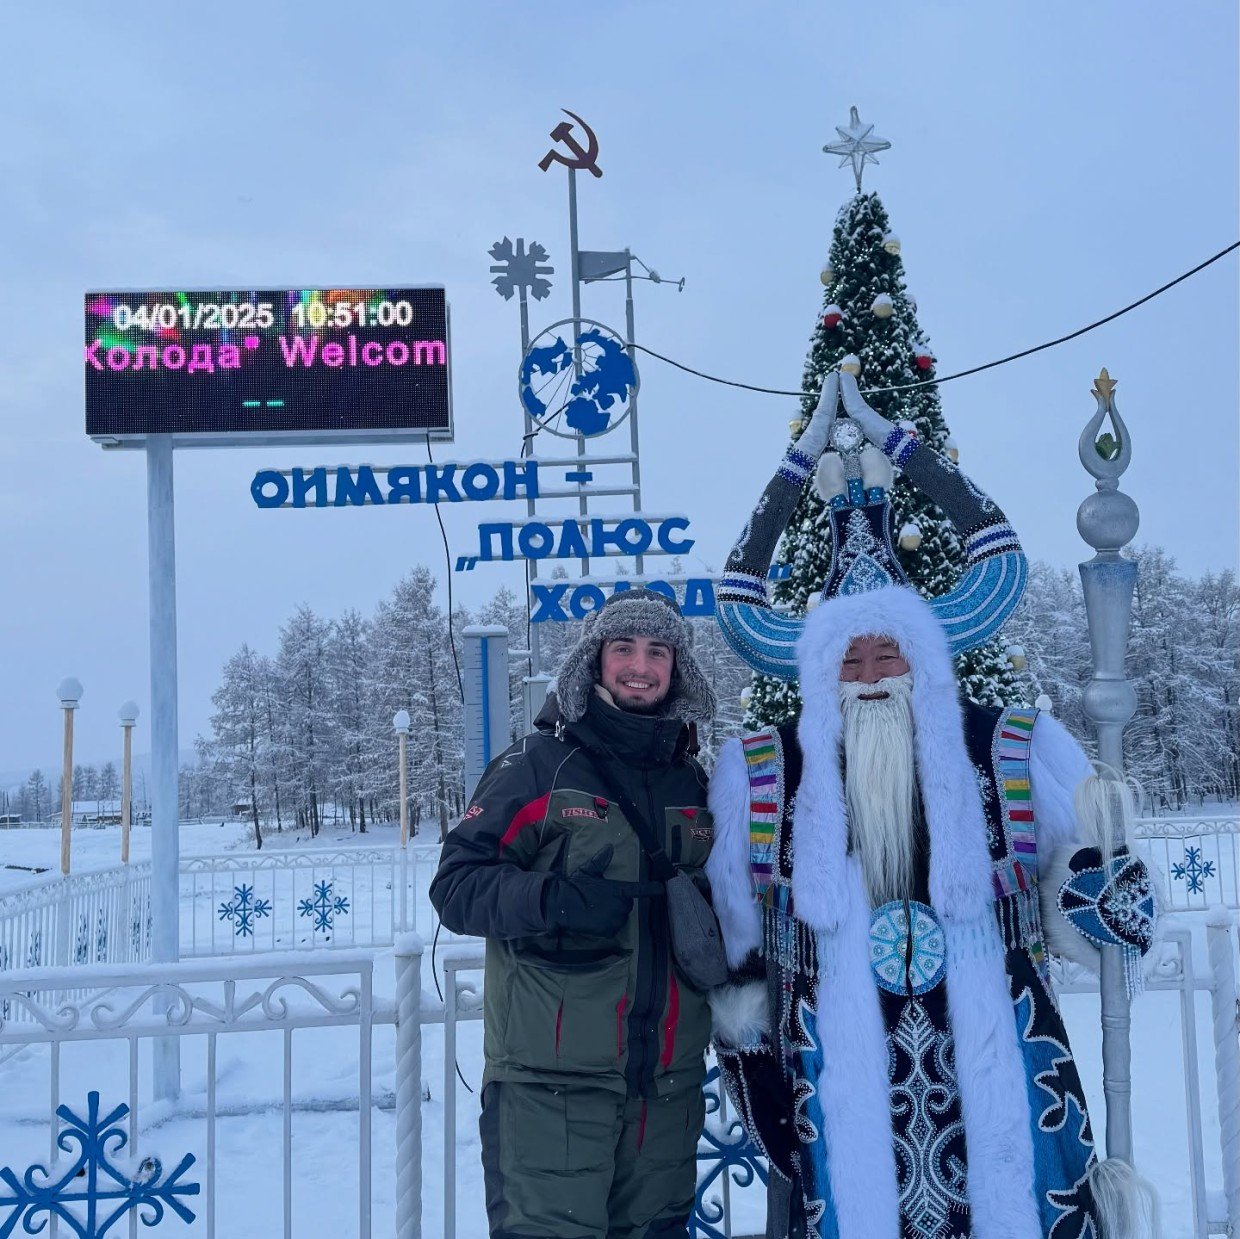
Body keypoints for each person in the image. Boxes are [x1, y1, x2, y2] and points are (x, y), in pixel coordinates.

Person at [706, 372, 1158, 1239]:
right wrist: (800, 461)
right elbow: (737, 936)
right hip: (839, 1055)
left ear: (923, 659)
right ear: (821, 676)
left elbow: (1073, 879)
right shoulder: (769, 771)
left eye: (889, 655)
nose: (873, 678)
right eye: (851, 661)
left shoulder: (1006, 747)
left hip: (996, 1037)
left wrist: (1103, 894)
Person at [430, 588, 719, 1239]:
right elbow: (456, 885)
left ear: (678, 667)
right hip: (549, 1091)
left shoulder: (693, 781)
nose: (640, 665)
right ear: (594, 660)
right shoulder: (537, 768)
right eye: (624, 648)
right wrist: (550, 899)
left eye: (657, 650)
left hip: (666, 1091)